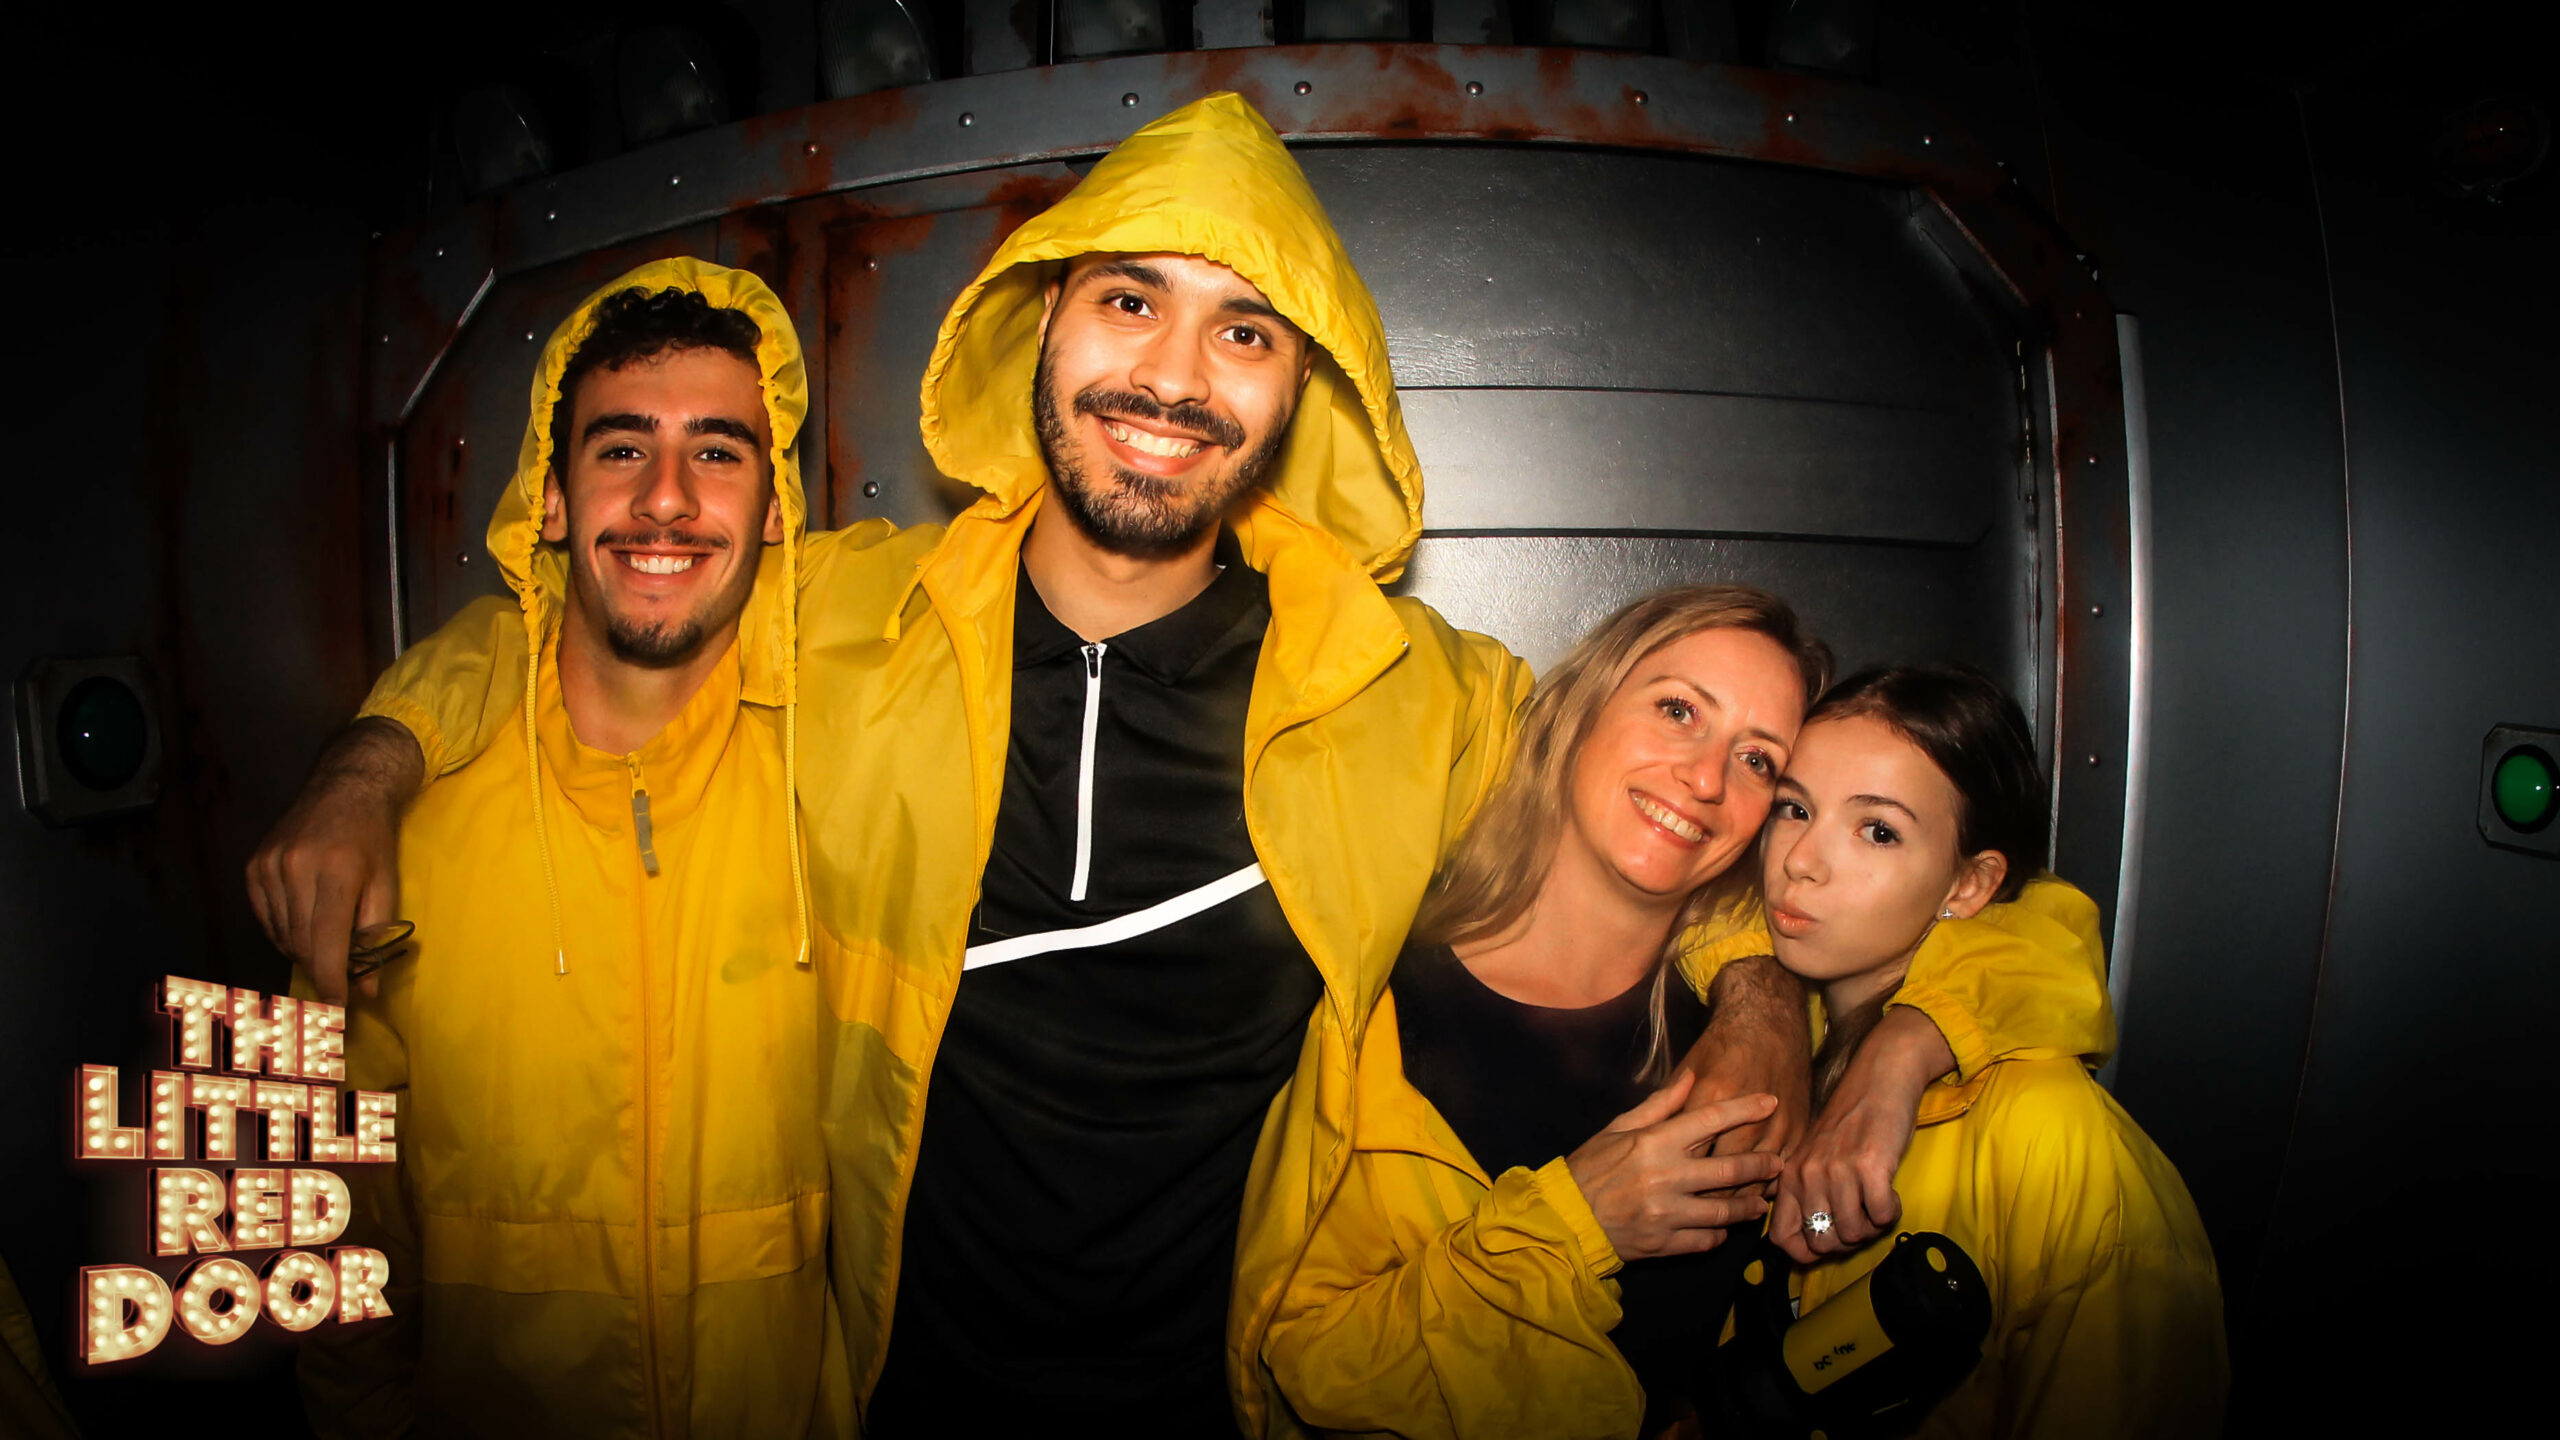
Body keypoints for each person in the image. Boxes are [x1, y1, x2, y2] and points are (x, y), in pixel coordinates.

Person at [250, 96, 2104, 1435]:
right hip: (882, 1395)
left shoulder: (1412, 694)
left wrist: (1785, 1009)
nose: (1172, 375)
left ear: (1300, 393)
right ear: (1042, 327)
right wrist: (373, 756)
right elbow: (587, 621)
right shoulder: (847, 619)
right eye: (1128, 302)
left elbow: (1691, 822)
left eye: (1244, 332)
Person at [1260, 591, 2112, 1439]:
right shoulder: (1367, 1008)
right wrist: (1577, 1222)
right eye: (1678, 711)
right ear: (1581, 704)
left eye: (1758, 762)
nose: (1706, 779)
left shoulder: (1791, 1014)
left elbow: (2038, 922)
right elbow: (1301, 1367)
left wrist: (1900, 1046)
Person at [292, 261, 852, 1439]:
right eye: (620, 447)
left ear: (775, 507)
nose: (665, 500)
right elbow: (329, 1205)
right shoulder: (400, 836)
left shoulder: (846, 777)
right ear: (548, 500)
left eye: (716, 452)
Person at [1760, 666, 2225, 1437]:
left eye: (1878, 830)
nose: (1801, 859)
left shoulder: (2055, 1139)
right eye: (1794, 807)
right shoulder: (1775, 1040)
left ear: (1969, 885)